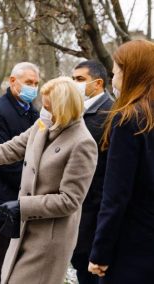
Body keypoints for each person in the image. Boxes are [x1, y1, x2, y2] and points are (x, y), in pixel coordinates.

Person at [0, 76, 98, 284]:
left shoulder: (82, 143)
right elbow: (9, 149)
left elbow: (70, 200)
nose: (43, 111)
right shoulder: (43, 125)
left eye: (48, 107)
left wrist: (23, 206)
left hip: (49, 237)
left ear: (63, 109)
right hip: (24, 229)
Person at [88, 40, 154, 283]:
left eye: (116, 73)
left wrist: (100, 252)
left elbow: (115, 194)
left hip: (132, 247)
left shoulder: (129, 119)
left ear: (131, 73)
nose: (114, 80)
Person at [0, 62, 39, 284]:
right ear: (13, 81)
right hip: (1, 197)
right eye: (28, 82)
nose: (33, 87)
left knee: (18, 256)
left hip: (22, 197)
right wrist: (33, 181)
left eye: (36, 83)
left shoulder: (33, 112)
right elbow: (1, 160)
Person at [70, 60, 113, 284]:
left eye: (80, 79)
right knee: (80, 266)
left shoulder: (109, 114)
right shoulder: (79, 110)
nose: (74, 84)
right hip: (79, 207)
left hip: (94, 209)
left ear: (98, 83)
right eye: (73, 79)